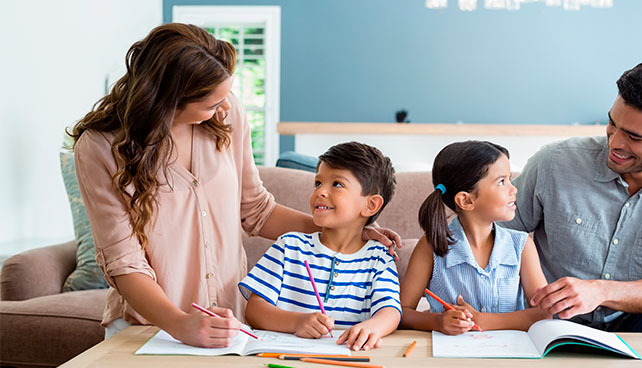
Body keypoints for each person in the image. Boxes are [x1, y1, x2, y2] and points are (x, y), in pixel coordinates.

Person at [72, 24, 400, 348]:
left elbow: (256, 210)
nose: (226, 107)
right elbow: (124, 261)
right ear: (167, 101)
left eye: (226, 95)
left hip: (228, 325)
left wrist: (347, 231)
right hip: (149, 328)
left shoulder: (226, 117)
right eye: (212, 103)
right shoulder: (100, 148)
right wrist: (180, 324)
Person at [502, 57, 642, 333]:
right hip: (549, 319)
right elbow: (490, 233)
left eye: (634, 137)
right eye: (612, 124)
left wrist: (600, 291)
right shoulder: (555, 162)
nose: (615, 142)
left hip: (635, 319)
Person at [240, 142, 402, 351]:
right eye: (318, 183)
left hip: (347, 360)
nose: (321, 192)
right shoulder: (289, 246)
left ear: (370, 205)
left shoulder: (379, 258)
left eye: (337, 184)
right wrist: (296, 322)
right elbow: (254, 310)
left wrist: (372, 327)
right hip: (282, 360)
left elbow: (390, 310)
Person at [400, 141, 551, 334]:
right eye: (501, 182)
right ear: (466, 200)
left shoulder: (521, 246)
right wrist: (437, 321)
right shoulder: (430, 247)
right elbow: (401, 312)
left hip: (510, 356)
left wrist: (483, 321)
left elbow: (544, 313)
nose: (514, 189)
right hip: (451, 357)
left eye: (510, 179)